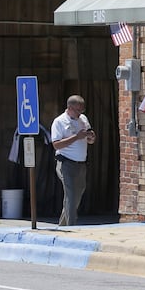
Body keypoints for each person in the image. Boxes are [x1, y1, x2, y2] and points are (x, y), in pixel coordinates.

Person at [51, 95, 96, 226]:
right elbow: (56, 144)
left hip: (81, 163)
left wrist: (90, 137)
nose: (80, 113)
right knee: (70, 194)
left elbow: (89, 138)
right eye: (77, 110)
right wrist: (76, 137)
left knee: (78, 193)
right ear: (69, 108)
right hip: (66, 163)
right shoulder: (59, 122)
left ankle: (63, 226)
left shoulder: (83, 119)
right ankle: (72, 226)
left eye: (82, 110)